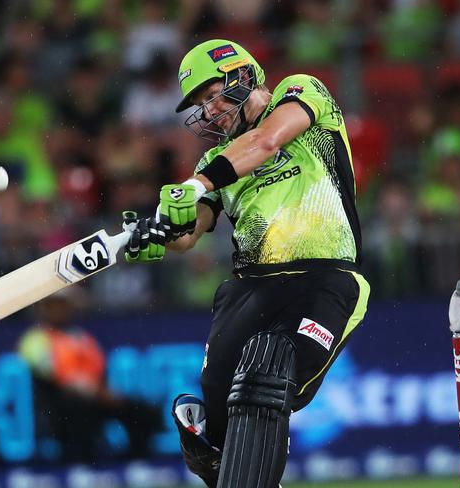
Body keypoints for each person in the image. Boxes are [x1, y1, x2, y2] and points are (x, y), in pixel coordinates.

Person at [123, 39, 371, 488]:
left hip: (325, 278)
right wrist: (158, 233)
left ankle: (260, 433)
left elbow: (266, 139)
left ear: (240, 75)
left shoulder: (301, 93)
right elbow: (192, 233)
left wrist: (195, 185)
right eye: (201, 105)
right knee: (216, 436)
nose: (210, 112)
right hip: (249, 290)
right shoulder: (214, 163)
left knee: (266, 383)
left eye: (212, 95)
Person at [18, 287, 161, 461]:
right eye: (54, 305)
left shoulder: (81, 337)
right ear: (44, 309)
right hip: (59, 401)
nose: (60, 310)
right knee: (79, 410)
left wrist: (106, 393)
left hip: (94, 396)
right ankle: (81, 462)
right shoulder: (35, 339)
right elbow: (51, 374)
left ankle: (137, 460)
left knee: (139, 407)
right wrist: (92, 391)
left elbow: (99, 369)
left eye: (64, 305)